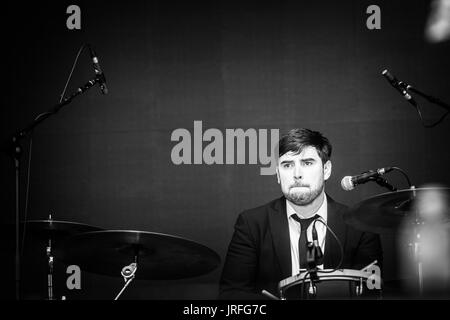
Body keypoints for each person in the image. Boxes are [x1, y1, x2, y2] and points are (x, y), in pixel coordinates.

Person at [219, 128, 383, 299]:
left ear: (326, 170)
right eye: (287, 165)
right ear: (277, 174)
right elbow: (231, 294)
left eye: (307, 163)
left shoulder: (361, 225)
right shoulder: (252, 224)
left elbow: (372, 293)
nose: (297, 174)